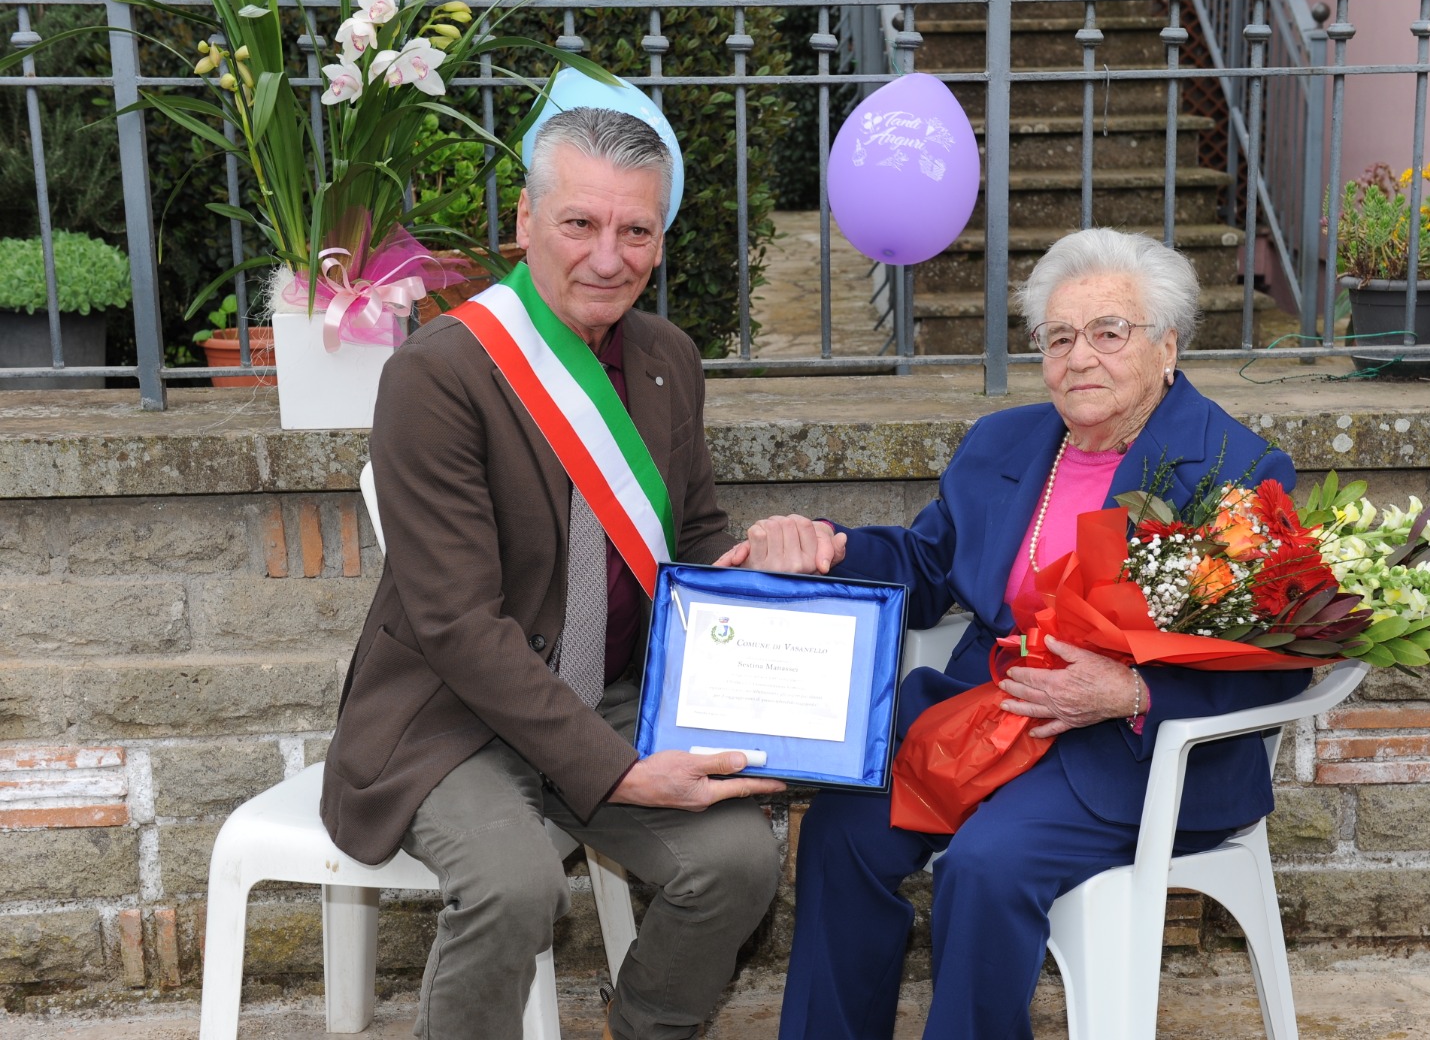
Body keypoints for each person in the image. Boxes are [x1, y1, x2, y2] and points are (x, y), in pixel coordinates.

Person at [735, 228, 1313, 1040]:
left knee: (986, 866)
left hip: (1130, 755)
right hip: (986, 719)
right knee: (841, 831)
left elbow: (1282, 658)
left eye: (1109, 333)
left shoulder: (1232, 469)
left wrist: (1134, 690)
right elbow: (927, 566)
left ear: (1167, 347)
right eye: (1059, 337)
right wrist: (828, 549)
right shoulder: (1003, 446)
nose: (1081, 358)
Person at [320, 107, 789, 1040]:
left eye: (636, 230)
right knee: (517, 887)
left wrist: (767, 567)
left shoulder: (667, 360)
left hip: (608, 691)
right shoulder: (439, 373)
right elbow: (457, 625)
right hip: (451, 715)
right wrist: (620, 774)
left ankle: (646, 1025)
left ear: (661, 240)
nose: (607, 257)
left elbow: (690, 543)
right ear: (525, 224)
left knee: (739, 861)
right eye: (580, 223)